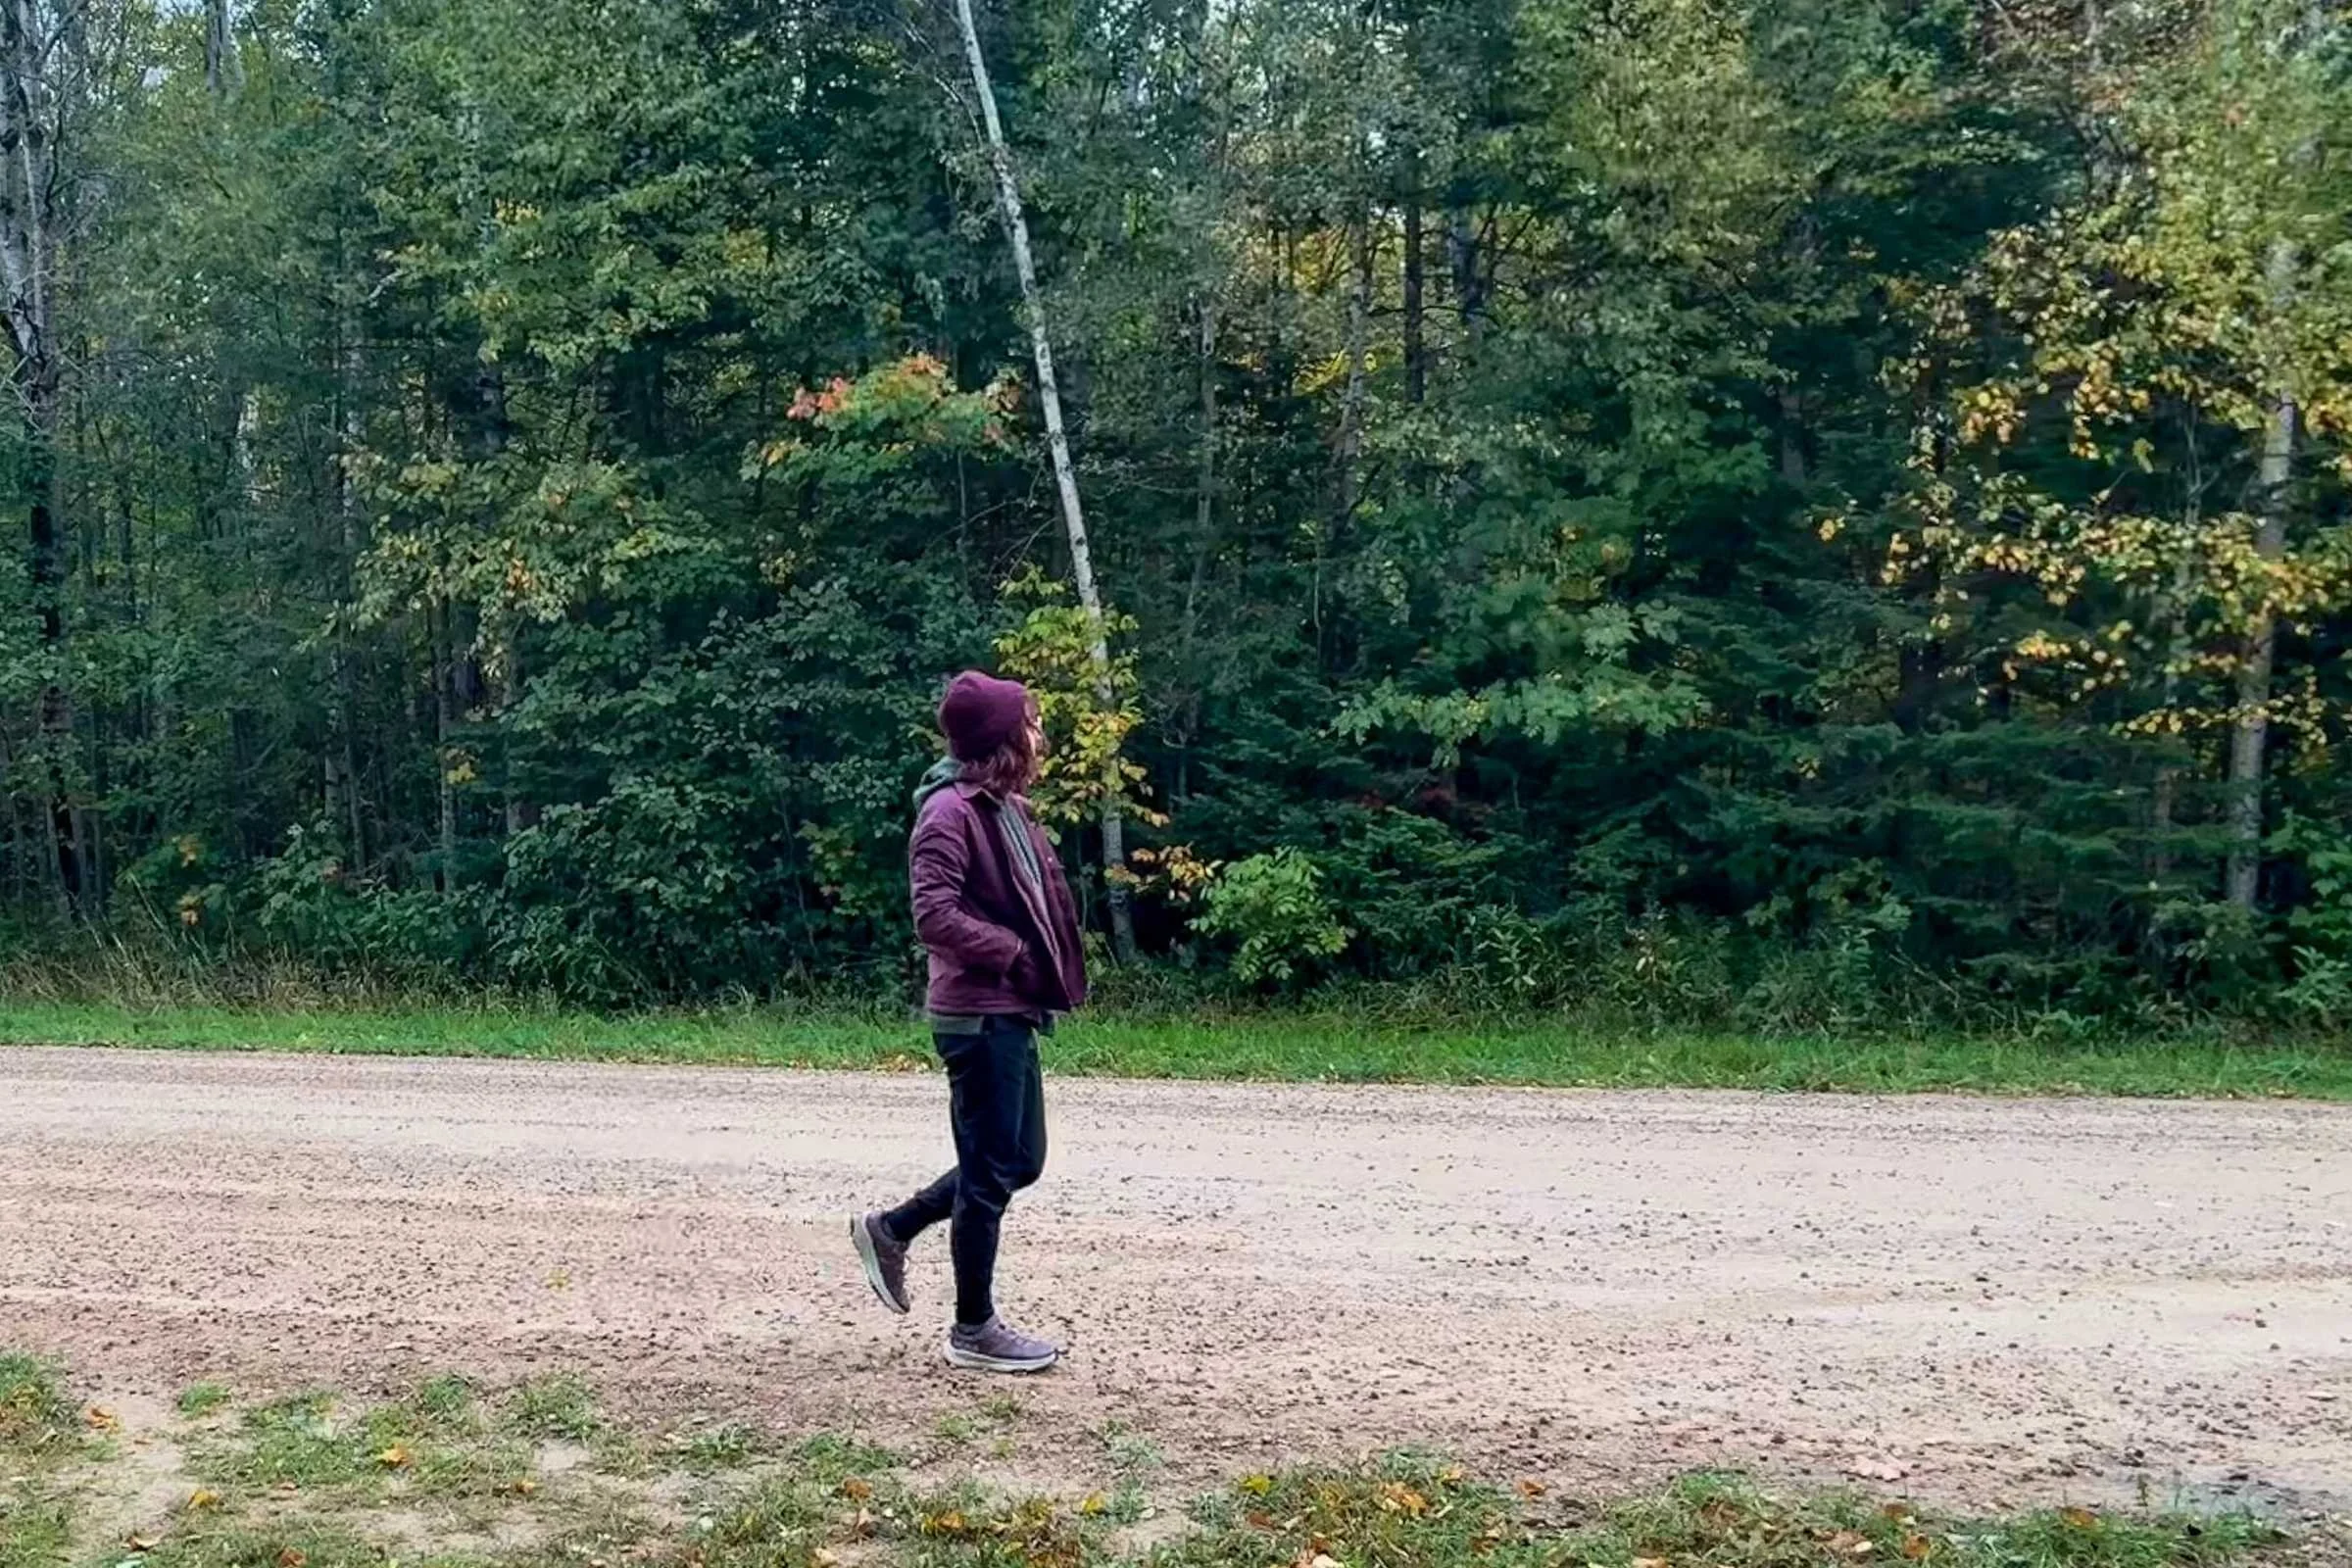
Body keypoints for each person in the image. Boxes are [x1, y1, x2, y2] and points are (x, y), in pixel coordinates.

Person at [852, 670, 1087, 1374]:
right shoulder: (949, 813)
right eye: (1029, 725)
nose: (1039, 735)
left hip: (1009, 1008)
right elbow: (934, 914)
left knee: (1019, 1160)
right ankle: (973, 1329)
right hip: (977, 1015)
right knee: (991, 1172)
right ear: (1001, 740)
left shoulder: (1001, 807)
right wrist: (1012, 951)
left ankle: (892, 1229)